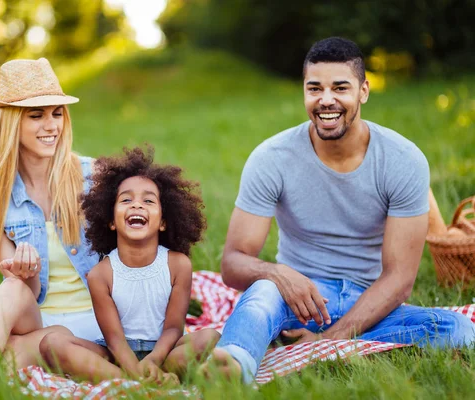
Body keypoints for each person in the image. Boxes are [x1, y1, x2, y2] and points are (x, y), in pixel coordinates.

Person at [201, 37, 475, 384]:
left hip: (371, 304)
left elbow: (399, 279)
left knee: (458, 329)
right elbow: (233, 264)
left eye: (340, 88)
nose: (326, 100)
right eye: (314, 88)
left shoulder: (403, 160)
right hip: (294, 302)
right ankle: (234, 366)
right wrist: (279, 274)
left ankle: (325, 345)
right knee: (262, 292)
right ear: (303, 91)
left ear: (363, 91)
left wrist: (331, 339)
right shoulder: (271, 159)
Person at [0, 58, 103, 375]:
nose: (51, 125)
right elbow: (27, 294)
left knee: (2, 361)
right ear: (11, 124)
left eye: (57, 113)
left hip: (101, 321)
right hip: (41, 323)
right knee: (14, 289)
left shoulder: (94, 177)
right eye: (36, 115)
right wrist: (25, 273)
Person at [38, 147, 221, 384]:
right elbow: (114, 339)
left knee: (210, 337)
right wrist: (135, 368)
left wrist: (153, 361)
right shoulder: (100, 275)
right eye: (126, 200)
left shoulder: (178, 265)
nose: (136, 205)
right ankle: (142, 382)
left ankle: (149, 377)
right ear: (111, 221)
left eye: (148, 200)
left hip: (165, 352)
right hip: (116, 355)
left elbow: (173, 329)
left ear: (164, 221)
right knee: (52, 344)